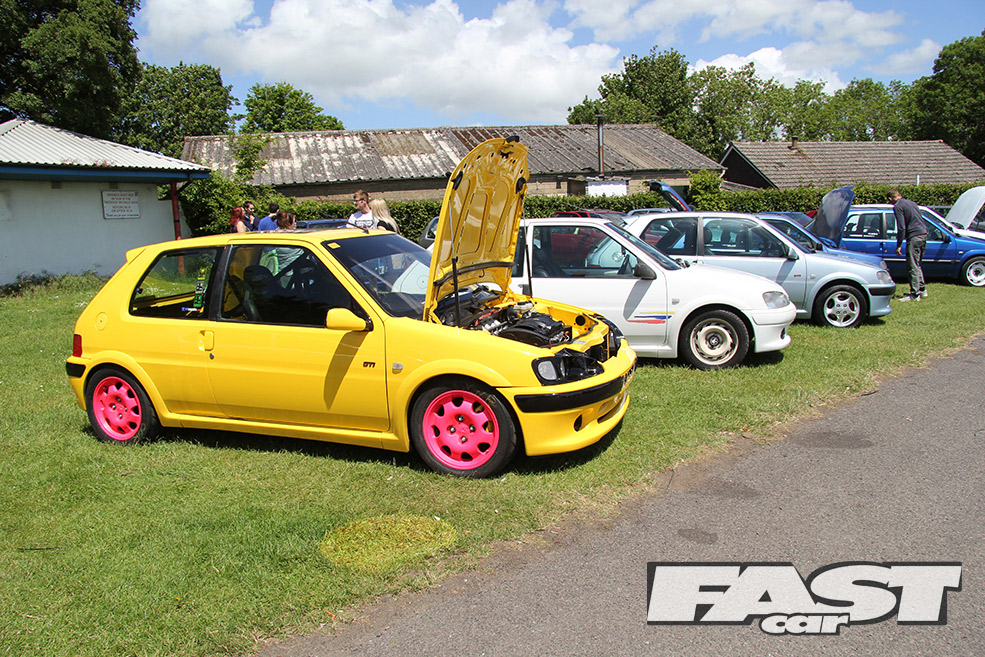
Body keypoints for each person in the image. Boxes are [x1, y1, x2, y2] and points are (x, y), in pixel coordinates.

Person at [890, 189, 928, 301]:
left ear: (891, 198)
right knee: (917, 264)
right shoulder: (912, 203)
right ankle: (922, 289)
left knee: (912, 266)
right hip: (923, 234)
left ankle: (915, 294)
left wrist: (899, 244)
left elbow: (901, 227)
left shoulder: (898, 206)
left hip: (914, 236)